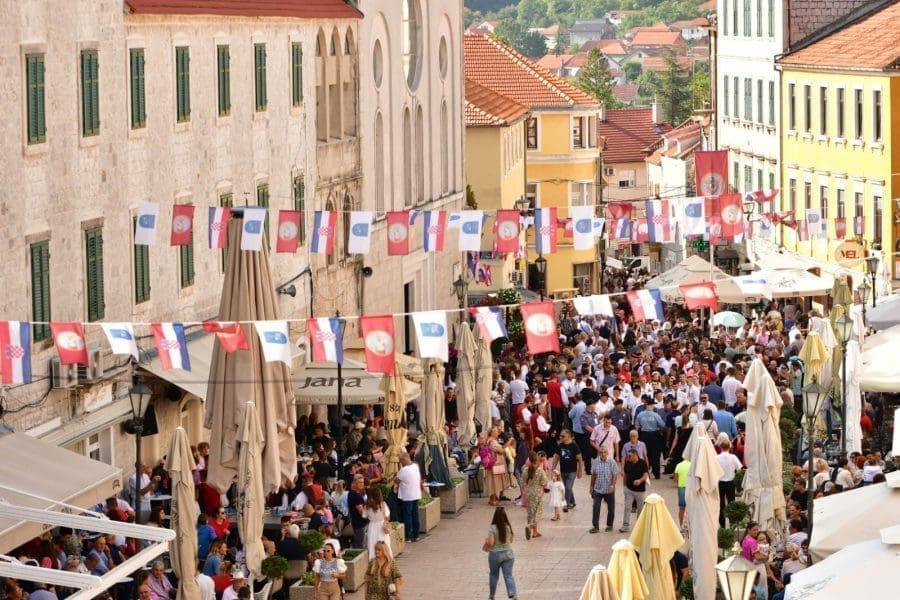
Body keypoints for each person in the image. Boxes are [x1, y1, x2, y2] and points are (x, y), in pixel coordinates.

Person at [482, 507, 517, 600]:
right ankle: (512, 593)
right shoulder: (508, 526)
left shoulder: (492, 528)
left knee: (494, 575)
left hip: (495, 555)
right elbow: (511, 540)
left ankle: (492, 596)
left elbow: (491, 543)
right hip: (508, 554)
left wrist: (486, 540)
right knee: (508, 575)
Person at [551, 429, 583, 511]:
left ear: (568, 436)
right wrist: (553, 469)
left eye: (563, 436)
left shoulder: (574, 446)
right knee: (568, 487)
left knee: (568, 488)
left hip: (572, 471)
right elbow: (556, 457)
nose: (561, 437)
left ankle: (566, 504)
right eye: (560, 436)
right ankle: (573, 502)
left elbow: (579, 459)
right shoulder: (560, 446)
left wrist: (580, 471)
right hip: (563, 471)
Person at [589, 446, 619, 533]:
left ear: (607, 453)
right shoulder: (596, 462)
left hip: (608, 489)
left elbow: (615, 475)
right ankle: (595, 526)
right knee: (596, 507)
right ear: (599, 453)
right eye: (601, 452)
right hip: (598, 489)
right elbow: (593, 474)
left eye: (604, 452)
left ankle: (609, 525)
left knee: (611, 508)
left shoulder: (611, 462)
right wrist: (591, 487)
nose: (602, 454)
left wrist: (612, 486)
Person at [620, 448, 649, 533]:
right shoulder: (628, 463)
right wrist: (624, 487)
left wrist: (640, 480)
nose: (628, 457)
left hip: (640, 491)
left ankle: (639, 526)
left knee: (640, 509)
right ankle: (625, 525)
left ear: (635, 455)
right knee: (627, 507)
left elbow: (646, 475)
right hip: (629, 489)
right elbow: (625, 475)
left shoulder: (643, 463)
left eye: (630, 456)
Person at [395, 452, 422, 543]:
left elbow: (397, 480)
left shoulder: (403, 470)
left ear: (404, 459)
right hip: (416, 494)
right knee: (415, 514)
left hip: (407, 496)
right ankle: (416, 535)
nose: (400, 463)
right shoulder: (415, 466)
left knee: (408, 516)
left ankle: (408, 536)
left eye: (401, 461)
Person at [717, 440, 744, 528]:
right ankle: (732, 523)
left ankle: (722, 524)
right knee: (731, 502)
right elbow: (740, 468)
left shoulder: (716, 458)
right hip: (730, 482)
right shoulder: (733, 457)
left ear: (720, 447)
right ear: (729, 447)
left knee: (721, 504)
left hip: (720, 482)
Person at [522, 451, 548, 540]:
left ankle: (535, 532)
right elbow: (544, 483)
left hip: (528, 492)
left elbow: (523, 481)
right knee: (537, 512)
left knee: (531, 512)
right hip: (537, 493)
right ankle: (530, 527)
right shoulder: (540, 470)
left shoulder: (525, 469)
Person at [363, 485, 392, 557]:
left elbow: (364, 516)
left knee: (372, 543)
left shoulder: (367, 506)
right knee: (384, 542)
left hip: (372, 526)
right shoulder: (383, 504)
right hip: (382, 526)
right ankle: (386, 558)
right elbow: (387, 516)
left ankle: (373, 560)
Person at [348, 474, 369, 549]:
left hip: (358, 522)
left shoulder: (356, 493)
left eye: (363, 482)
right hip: (359, 523)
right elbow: (361, 512)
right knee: (359, 544)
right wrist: (369, 519)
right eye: (360, 482)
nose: (362, 484)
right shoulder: (355, 495)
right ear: (354, 483)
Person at [673, 457, 691, 528]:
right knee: (691, 508)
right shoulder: (693, 465)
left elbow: (675, 479)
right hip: (691, 487)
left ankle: (681, 526)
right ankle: (690, 526)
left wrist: (678, 482)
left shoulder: (679, 465)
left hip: (681, 488)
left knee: (681, 508)